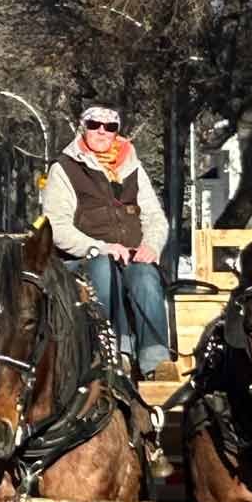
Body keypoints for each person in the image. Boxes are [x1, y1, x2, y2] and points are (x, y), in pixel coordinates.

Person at [42, 102, 174, 380]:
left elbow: (155, 217)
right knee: (103, 267)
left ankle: (156, 359)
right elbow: (56, 226)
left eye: (110, 127)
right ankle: (112, 352)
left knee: (146, 276)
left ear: (117, 132)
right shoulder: (64, 169)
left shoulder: (133, 168)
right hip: (82, 260)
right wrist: (100, 247)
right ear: (83, 128)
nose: (102, 132)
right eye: (94, 125)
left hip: (131, 256)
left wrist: (150, 247)